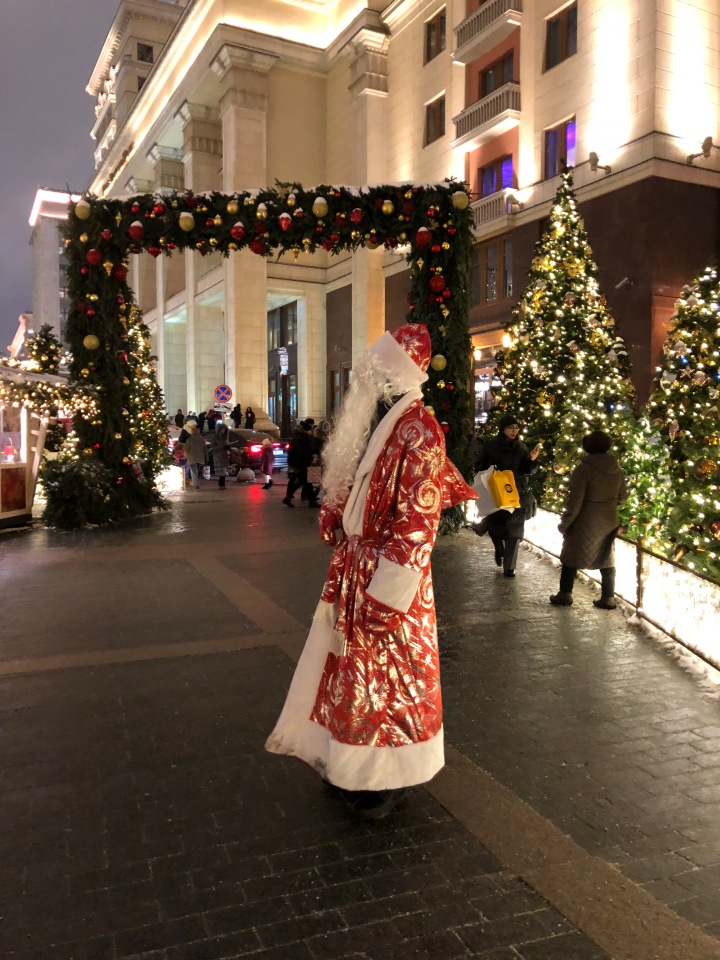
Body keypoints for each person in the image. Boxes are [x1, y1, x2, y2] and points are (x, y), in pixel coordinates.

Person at [266, 323, 477, 820]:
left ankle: (382, 780)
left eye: (375, 370)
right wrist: (338, 515)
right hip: (361, 573)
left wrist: (389, 591)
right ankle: (348, 766)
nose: (365, 379)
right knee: (351, 677)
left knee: (388, 682)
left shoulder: (419, 429)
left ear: (395, 374)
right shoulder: (386, 422)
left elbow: (417, 522)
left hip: (387, 583)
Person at [549, 431, 628, 609]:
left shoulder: (583, 470)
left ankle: (565, 593)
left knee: (571, 556)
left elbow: (575, 501)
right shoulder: (616, 470)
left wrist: (566, 523)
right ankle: (608, 597)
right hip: (608, 520)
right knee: (606, 558)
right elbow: (622, 498)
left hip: (584, 520)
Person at [474, 414, 540, 577]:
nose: (514, 431)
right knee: (497, 527)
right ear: (503, 429)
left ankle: (509, 567)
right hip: (496, 493)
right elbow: (480, 467)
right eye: (510, 428)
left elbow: (528, 471)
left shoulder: (522, 448)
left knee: (515, 531)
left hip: (516, 493)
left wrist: (532, 461)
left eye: (516, 428)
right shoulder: (492, 447)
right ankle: (498, 547)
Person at [282, 420, 314, 507]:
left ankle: (311, 500)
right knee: (304, 481)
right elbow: (303, 451)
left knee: (305, 481)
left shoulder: (299, 437)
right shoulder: (303, 438)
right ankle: (311, 500)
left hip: (300, 462)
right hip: (302, 463)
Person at [181, 421, 206, 491]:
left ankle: (195, 484)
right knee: (196, 470)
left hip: (192, 457)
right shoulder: (201, 438)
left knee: (193, 471)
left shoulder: (189, 439)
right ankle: (194, 482)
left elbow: (186, 449)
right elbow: (205, 448)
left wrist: (186, 455)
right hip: (200, 458)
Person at [210, 422, 232, 490]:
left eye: (224, 430)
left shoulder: (225, 437)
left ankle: (222, 484)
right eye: (222, 429)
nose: (223, 431)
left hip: (224, 455)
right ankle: (221, 484)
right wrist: (221, 446)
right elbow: (213, 446)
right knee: (221, 471)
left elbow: (226, 444)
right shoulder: (215, 437)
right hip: (218, 455)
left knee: (224, 470)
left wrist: (228, 447)